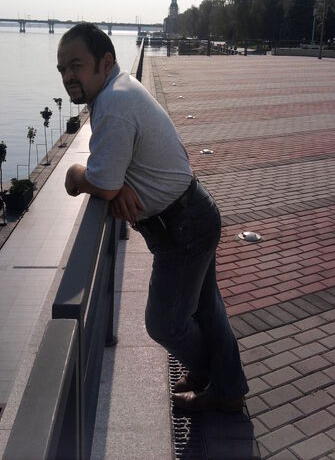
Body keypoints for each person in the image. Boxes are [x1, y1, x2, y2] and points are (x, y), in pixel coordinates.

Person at [57, 23, 249, 412]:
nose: (68, 76)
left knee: (164, 323)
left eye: (76, 66)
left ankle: (218, 381)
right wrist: (118, 182)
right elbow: (113, 180)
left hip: (183, 227)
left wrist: (76, 175)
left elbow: (101, 183)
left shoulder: (113, 104)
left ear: (105, 62)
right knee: (206, 308)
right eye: (62, 69)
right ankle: (223, 384)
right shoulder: (119, 88)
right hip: (191, 213)